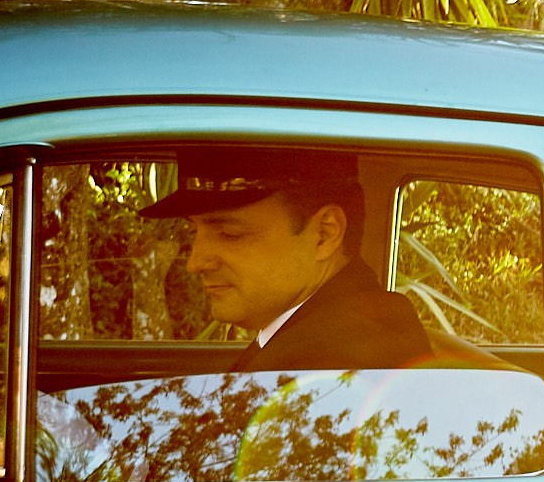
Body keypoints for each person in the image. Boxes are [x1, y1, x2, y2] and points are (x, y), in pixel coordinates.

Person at [139, 146, 429, 372]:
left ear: (324, 235)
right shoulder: (325, 332)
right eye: (194, 231)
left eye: (229, 233)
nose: (195, 263)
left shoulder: (320, 368)